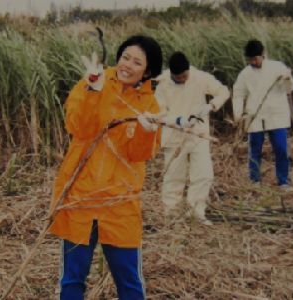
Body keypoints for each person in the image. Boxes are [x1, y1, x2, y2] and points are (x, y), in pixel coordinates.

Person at [48, 35, 169, 300]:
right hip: (79, 198)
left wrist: (146, 132)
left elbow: (139, 154)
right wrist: (93, 90)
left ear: (147, 71)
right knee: (71, 281)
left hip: (119, 204)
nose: (127, 64)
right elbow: (79, 128)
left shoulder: (149, 103)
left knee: (129, 283)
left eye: (137, 62)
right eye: (125, 56)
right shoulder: (93, 82)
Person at [155, 51, 230, 225]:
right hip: (174, 134)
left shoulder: (199, 77)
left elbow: (223, 91)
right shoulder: (162, 83)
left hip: (199, 134)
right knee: (174, 176)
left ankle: (196, 213)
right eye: (179, 77)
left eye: (185, 75)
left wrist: (211, 105)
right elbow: (160, 112)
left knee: (203, 174)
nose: (183, 79)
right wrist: (178, 121)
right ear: (172, 74)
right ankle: (171, 215)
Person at [232, 39, 293, 190]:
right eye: (250, 59)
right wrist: (238, 115)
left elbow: (289, 88)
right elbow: (238, 94)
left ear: (263, 54)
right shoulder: (245, 74)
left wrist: (287, 79)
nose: (253, 62)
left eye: (255, 58)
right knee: (254, 150)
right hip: (255, 116)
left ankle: (283, 181)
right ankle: (255, 181)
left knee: (281, 149)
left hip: (276, 114)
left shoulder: (277, 67)